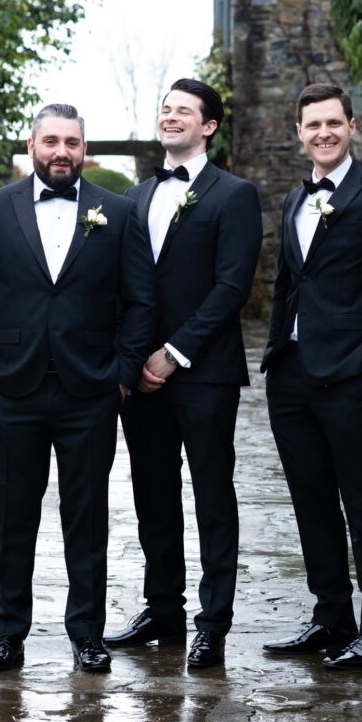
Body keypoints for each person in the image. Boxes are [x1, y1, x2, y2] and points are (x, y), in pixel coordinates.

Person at [0, 103, 154, 673]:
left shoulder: (115, 211)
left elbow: (140, 302)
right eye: (51, 141)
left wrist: (119, 375)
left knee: (87, 518)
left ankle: (86, 633)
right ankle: (7, 634)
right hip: (11, 391)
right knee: (12, 518)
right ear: (31, 145)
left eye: (72, 142)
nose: (61, 151)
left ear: (83, 149)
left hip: (90, 392)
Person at [106, 79, 262, 668]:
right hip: (139, 378)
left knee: (212, 496)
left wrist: (172, 354)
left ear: (209, 126)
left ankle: (212, 622)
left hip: (204, 374)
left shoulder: (234, 195)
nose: (170, 117)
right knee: (152, 494)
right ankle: (162, 611)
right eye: (165, 108)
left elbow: (231, 289)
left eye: (184, 112)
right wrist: (132, 360)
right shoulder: (136, 197)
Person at [259, 83, 362, 670]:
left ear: (353, 127)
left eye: (333, 122)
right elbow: (288, 283)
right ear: (298, 133)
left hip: (353, 378)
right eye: (311, 125)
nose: (322, 132)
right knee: (311, 502)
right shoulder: (292, 202)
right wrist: (276, 353)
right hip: (293, 377)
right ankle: (331, 617)